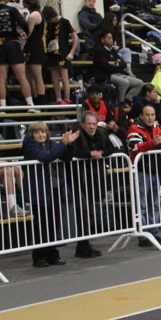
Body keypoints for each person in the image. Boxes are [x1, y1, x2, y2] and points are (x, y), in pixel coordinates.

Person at [22, 121, 80, 266]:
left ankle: (53, 254)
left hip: (54, 188)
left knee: (53, 222)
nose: (40, 135)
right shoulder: (30, 146)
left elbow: (66, 157)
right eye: (37, 132)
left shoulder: (52, 144)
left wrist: (69, 144)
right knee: (41, 224)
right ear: (31, 134)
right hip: (38, 190)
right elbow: (46, 157)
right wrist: (63, 143)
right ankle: (39, 256)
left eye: (43, 132)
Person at [70, 110, 117, 259]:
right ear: (82, 124)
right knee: (83, 212)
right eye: (89, 124)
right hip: (79, 179)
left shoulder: (102, 133)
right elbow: (72, 151)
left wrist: (101, 153)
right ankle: (82, 246)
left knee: (90, 211)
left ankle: (85, 245)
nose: (92, 127)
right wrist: (89, 154)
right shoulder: (76, 134)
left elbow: (111, 148)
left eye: (94, 124)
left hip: (96, 178)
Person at [127, 103, 161, 247]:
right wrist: (152, 143)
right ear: (141, 116)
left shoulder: (155, 127)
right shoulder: (134, 129)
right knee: (141, 205)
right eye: (147, 115)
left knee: (154, 204)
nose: (150, 117)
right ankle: (143, 236)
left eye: (152, 115)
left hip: (154, 171)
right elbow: (134, 147)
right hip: (141, 171)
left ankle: (153, 233)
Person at [93, 30, 144, 104]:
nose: (111, 40)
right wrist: (117, 64)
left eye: (112, 38)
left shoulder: (113, 51)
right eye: (109, 38)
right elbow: (106, 67)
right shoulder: (99, 52)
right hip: (107, 76)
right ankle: (121, 102)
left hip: (119, 74)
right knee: (125, 82)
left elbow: (123, 64)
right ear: (102, 40)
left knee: (139, 83)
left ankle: (128, 100)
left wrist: (114, 63)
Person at [43, 6, 79, 104]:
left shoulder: (64, 22)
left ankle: (67, 98)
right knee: (54, 77)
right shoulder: (49, 24)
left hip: (63, 53)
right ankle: (58, 99)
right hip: (52, 53)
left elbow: (75, 37)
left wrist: (71, 52)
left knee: (64, 77)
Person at [23, 0, 48, 105]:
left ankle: (41, 100)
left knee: (37, 75)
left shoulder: (33, 15)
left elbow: (28, 33)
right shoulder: (36, 14)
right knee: (29, 74)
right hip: (32, 45)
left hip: (35, 46)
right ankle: (34, 98)